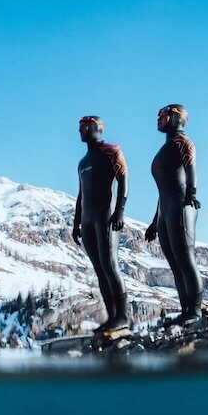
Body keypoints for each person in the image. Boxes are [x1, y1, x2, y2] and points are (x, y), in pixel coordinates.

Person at [145, 104, 203, 326]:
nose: (158, 118)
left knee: (186, 260)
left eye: (163, 115)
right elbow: (164, 190)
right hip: (166, 210)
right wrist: (154, 221)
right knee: (175, 264)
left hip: (182, 206)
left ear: (177, 118)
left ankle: (195, 312)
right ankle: (185, 311)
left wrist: (192, 193)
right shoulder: (166, 147)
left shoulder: (182, 142)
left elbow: (191, 169)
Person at [72, 115, 129, 332]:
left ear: (96, 128)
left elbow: (124, 179)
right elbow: (81, 194)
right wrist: (76, 223)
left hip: (106, 216)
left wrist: (120, 212)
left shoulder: (111, 150)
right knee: (99, 269)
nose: (80, 131)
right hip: (87, 221)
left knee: (110, 265)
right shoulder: (82, 163)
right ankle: (112, 316)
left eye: (84, 127)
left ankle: (122, 316)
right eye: (79, 127)